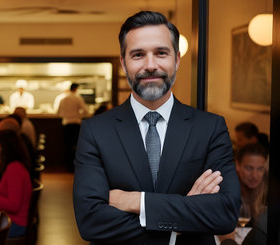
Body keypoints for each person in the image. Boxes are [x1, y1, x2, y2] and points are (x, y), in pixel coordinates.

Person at [73, 11, 240, 244]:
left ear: (177, 59)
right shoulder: (96, 131)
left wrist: (136, 202)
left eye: (161, 53)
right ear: (123, 63)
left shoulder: (210, 128)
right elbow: (90, 221)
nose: (150, 65)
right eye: (138, 55)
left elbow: (225, 214)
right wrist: (184, 217)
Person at [219, 143, 268, 244]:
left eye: (260, 169)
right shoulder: (225, 185)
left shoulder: (270, 189)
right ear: (237, 164)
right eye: (249, 168)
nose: (254, 175)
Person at [57, 82, 89, 172]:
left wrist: (67, 116)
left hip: (66, 124)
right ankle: (76, 167)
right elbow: (86, 111)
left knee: (68, 146)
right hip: (76, 124)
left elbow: (58, 113)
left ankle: (68, 167)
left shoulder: (63, 99)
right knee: (77, 146)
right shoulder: (77, 99)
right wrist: (78, 115)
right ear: (76, 89)